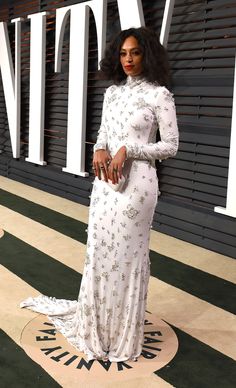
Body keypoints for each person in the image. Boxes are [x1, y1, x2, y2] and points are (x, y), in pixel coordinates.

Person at [20, 27, 179, 363]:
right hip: (105, 184)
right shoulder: (112, 93)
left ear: (146, 54)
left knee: (127, 259)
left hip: (137, 189)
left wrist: (129, 149)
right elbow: (104, 132)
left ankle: (122, 335)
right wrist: (100, 149)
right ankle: (98, 329)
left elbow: (170, 145)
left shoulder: (159, 95)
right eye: (123, 54)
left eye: (134, 53)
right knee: (100, 254)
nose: (128, 60)